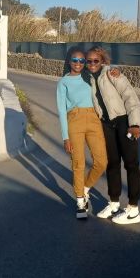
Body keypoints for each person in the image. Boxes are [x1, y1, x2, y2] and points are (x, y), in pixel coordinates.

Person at [85, 46, 140, 225]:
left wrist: (134, 124)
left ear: (102, 61)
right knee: (113, 163)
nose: (92, 64)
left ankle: (133, 209)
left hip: (124, 121)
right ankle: (114, 203)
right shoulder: (88, 79)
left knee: (131, 164)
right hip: (107, 124)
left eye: (96, 61)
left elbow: (130, 97)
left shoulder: (112, 74)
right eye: (89, 61)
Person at [56, 48, 108, 219]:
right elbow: (62, 111)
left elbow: (103, 67)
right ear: (69, 61)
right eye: (75, 60)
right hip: (74, 120)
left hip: (93, 119)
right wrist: (65, 136)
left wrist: (114, 69)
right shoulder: (63, 82)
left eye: (81, 61)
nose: (78, 64)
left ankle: (84, 189)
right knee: (78, 163)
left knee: (101, 161)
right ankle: (80, 201)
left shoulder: (89, 76)